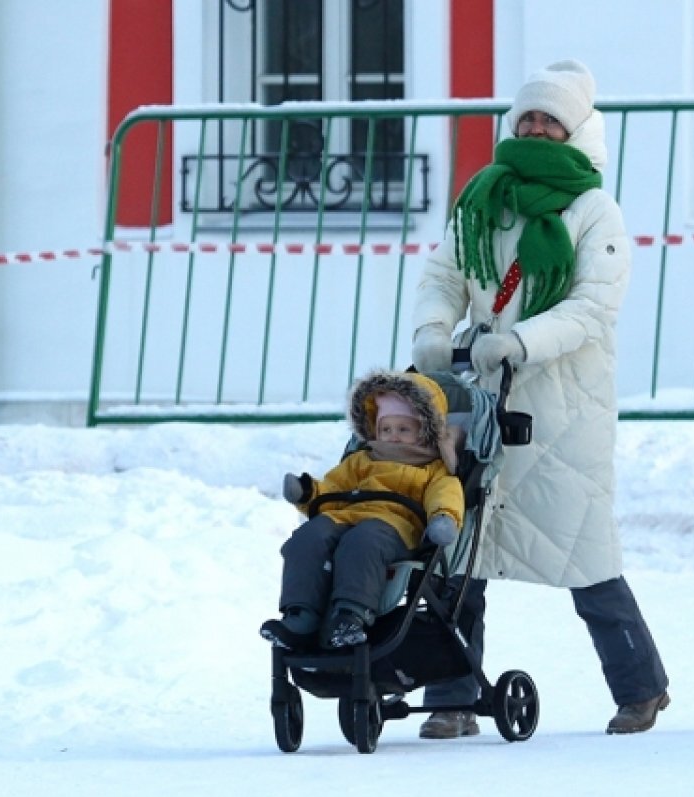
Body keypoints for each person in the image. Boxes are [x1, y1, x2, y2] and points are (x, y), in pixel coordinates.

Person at [409, 59, 670, 737]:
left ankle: (641, 687)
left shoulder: (594, 211)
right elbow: (446, 271)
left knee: (582, 551)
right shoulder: (483, 196)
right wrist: (436, 328)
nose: (536, 127)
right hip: (481, 397)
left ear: (577, 130)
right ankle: (452, 694)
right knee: (461, 549)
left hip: (562, 404)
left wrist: (519, 341)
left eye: (550, 119)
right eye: (527, 116)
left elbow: (591, 310)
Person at [259, 370, 464, 651]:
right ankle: (301, 615)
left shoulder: (432, 468)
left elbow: (446, 494)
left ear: (425, 431)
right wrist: (308, 493)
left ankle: (352, 614)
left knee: (363, 540)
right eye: (385, 429)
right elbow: (333, 488)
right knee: (309, 536)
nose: (392, 437)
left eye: (404, 429)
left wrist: (444, 518)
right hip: (347, 517)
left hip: (395, 527)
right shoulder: (361, 460)